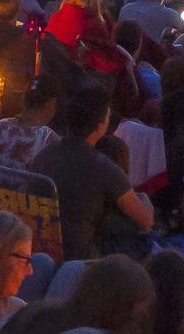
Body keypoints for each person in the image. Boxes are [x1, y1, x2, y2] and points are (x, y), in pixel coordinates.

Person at [34, 81, 156, 260]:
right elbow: (145, 221)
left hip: (41, 251)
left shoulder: (45, 155)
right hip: (81, 261)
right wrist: (145, 199)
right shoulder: (103, 167)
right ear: (100, 125)